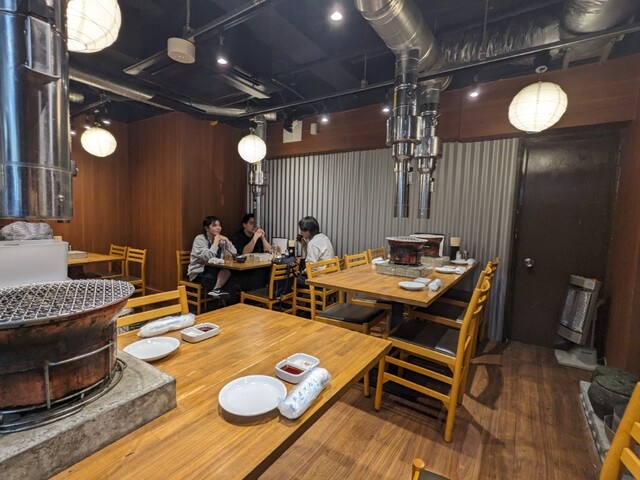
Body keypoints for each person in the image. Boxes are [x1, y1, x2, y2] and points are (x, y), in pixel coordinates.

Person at [187, 216, 237, 298]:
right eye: (214, 225)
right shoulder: (200, 239)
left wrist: (227, 242)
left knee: (233, 280)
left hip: (216, 271)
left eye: (219, 225)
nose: (218, 228)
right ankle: (217, 295)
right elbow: (207, 257)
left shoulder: (222, 239)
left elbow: (234, 253)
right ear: (206, 228)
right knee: (228, 284)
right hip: (200, 272)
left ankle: (216, 291)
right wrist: (216, 241)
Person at [296, 216, 334, 284]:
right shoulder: (324, 237)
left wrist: (302, 272)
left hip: (319, 280)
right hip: (329, 276)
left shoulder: (313, 243)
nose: (300, 232)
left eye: (301, 230)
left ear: (308, 231)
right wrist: (305, 245)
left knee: (292, 279)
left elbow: (310, 268)